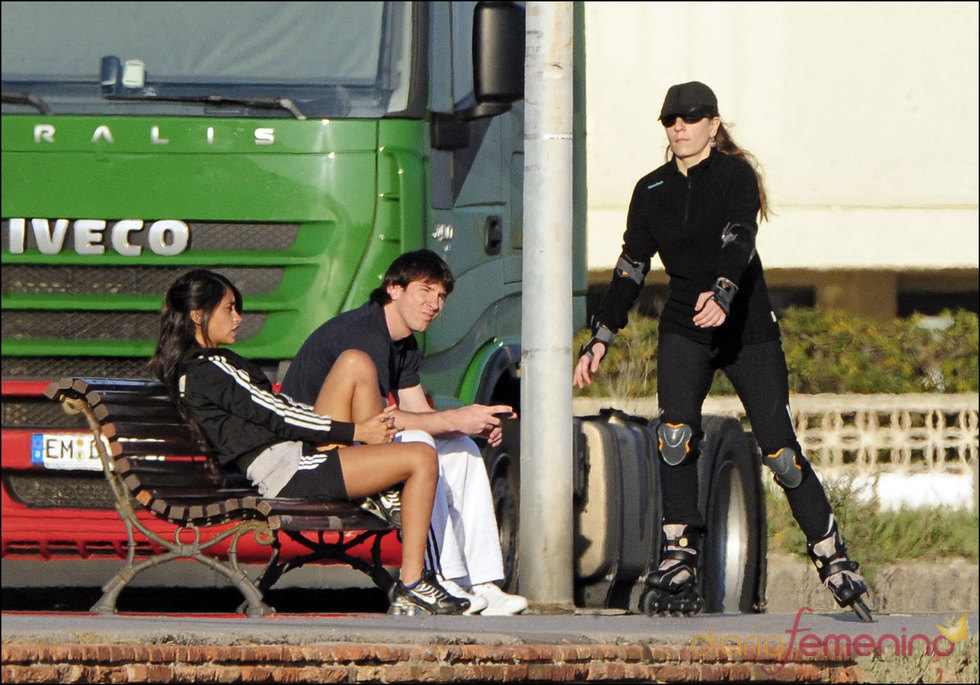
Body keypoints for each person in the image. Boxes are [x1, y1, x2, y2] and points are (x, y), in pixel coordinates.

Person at [573, 81, 872, 620]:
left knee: (779, 451)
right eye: (670, 120)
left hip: (746, 327)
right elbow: (631, 267)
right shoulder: (652, 190)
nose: (680, 127)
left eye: (691, 118)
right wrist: (602, 336)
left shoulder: (737, 176)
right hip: (686, 326)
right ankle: (679, 552)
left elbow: (740, 238)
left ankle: (832, 554)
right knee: (674, 433)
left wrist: (725, 290)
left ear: (714, 123)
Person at [148, 269, 469, 616]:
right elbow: (275, 414)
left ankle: (382, 492)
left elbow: (281, 408)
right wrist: (354, 432)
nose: (238, 318)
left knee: (355, 362)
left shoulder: (210, 366)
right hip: (289, 471)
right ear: (198, 315)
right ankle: (412, 583)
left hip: (299, 456)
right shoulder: (206, 369)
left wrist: (348, 429)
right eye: (229, 309)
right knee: (421, 457)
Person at [281, 250, 528, 615]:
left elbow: (418, 413)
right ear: (393, 289)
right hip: (315, 455)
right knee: (421, 444)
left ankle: (480, 581)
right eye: (425, 291)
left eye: (441, 296)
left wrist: (473, 425)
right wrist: (455, 418)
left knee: (461, 449)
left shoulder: (404, 342)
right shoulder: (363, 334)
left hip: (358, 446)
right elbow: (386, 423)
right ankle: (434, 576)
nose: (434, 304)